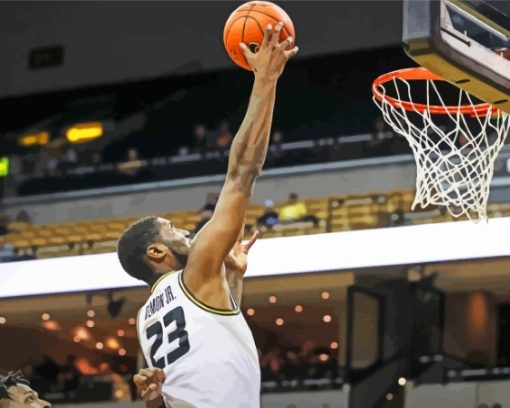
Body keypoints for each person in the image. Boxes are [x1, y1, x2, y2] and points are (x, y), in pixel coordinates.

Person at [117, 23, 298, 408]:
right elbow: (241, 172)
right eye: (172, 230)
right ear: (155, 252)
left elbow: (201, 354)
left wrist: (231, 275)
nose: (185, 232)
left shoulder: (145, 320)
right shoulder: (195, 270)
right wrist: (265, 80)